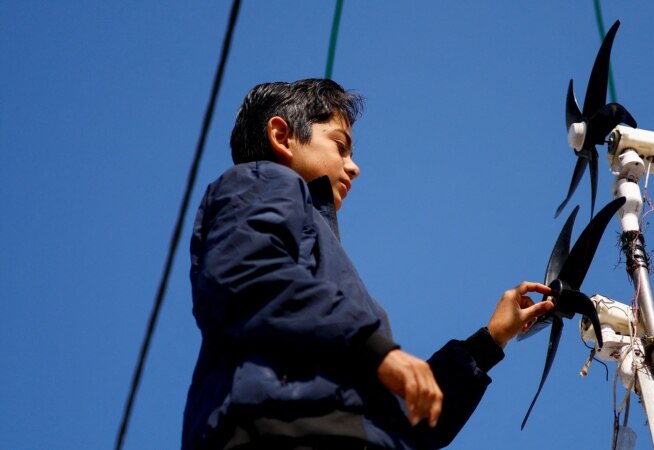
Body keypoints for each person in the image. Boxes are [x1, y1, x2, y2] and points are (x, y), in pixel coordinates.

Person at [182, 78, 554, 450]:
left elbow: (416, 416)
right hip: (275, 430)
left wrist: (490, 341)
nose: (354, 167)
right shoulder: (259, 182)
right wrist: (374, 350)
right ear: (282, 136)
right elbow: (253, 276)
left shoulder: (334, 289)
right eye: (340, 147)